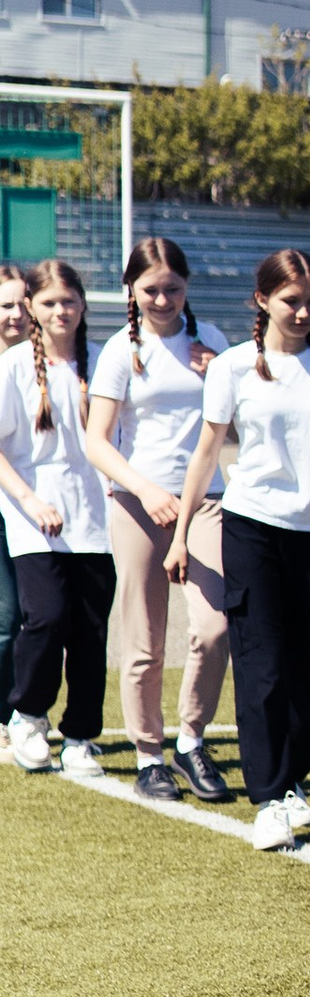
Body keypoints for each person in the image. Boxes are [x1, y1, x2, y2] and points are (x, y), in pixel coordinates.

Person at [172, 249, 310, 850]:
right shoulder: (232, 368)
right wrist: (183, 533)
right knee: (260, 662)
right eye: (293, 301)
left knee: (302, 666)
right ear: (263, 300)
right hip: (250, 527)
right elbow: (206, 454)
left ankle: (292, 784)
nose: (304, 312)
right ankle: (266, 797)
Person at [85, 235, 234, 803]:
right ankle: (149, 755)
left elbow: (237, 431)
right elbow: (98, 442)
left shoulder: (212, 344)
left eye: (173, 288)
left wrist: (221, 373)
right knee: (144, 641)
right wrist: (145, 491)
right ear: (132, 289)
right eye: (151, 289)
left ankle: (192, 741)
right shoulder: (120, 351)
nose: (163, 299)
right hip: (137, 503)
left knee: (214, 626)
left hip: (206, 500)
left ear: (187, 286)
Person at [0, 260, 115, 781]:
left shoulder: (105, 362)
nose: (60, 311)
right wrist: (31, 501)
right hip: (35, 517)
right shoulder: (14, 366)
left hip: (98, 517)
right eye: (48, 303)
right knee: (45, 617)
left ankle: (82, 736)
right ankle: (27, 716)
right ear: (32, 309)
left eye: (69, 301)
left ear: (84, 304)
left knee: (90, 632)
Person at [0, 267, 29, 700]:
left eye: (25, 304)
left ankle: (24, 716)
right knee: (7, 616)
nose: (17, 315)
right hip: (7, 506)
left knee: (36, 617)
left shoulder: (57, 364)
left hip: (37, 510)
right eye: (6, 305)